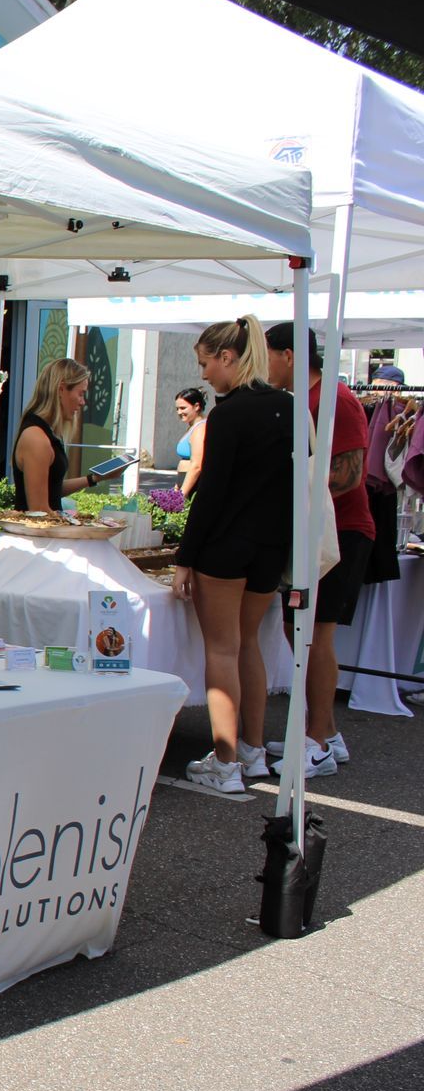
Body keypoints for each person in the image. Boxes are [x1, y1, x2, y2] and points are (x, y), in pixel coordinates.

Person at [174, 315, 295, 793]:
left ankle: (225, 763)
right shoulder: (288, 408)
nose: (204, 374)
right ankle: (251, 749)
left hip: (227, 546)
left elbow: (213, 494)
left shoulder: (228, 415)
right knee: (248, 644)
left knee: (223, 648)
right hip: (270, 546)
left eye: (206, 363)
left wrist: (186, 556)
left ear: (228, 357)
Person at [262, 323, 372, 779]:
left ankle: (319, 742)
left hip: (339, 532)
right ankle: (323, 731)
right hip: (314, 534)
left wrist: (285, 484)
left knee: (316, 636)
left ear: (288, 355)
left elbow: (350, 475)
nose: (263, 365)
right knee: (300, 634)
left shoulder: (336, 399)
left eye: (266, 355)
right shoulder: (301, 400)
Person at [11, 358, 125, 512]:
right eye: (81, 394)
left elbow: (52, 489)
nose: (83, 402)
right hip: (37, 535)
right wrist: (77, 524)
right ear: (61, 389)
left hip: (45, 533)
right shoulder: (36, 438)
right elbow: (39, 511)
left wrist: (94, 478)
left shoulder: (46, 432)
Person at [174, 387, 210, 497]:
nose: (179, 412)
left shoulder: (200, 429)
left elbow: (197, 465)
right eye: (177, 409)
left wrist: (181, 495)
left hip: (193, 487)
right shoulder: (192, 427)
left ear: (196, 406)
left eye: (183, 408)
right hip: (184, 483)